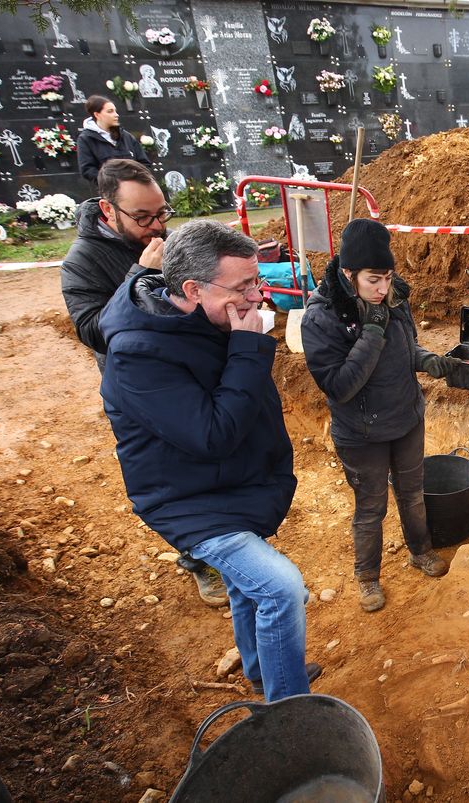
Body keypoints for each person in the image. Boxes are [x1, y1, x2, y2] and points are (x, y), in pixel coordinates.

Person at [98, 219, 320, 701]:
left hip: (234, 483)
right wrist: (247, 348)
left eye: (255, 281)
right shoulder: (139, 354)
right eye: (242, 287)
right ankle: (294, 709)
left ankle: (263, 670)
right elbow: (212, 435)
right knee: (281, 589)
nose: (257, 297)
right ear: (193, 288)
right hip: (188, 499)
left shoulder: (204, 319)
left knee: (247, 589)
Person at [59, 159, 227, 607]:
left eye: (161, 213)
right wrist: (139, 275)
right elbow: (93, 329)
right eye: (143, 217)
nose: (157, 226)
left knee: (209, 451)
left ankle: (226, 538)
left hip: (188, 366)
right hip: (138, 385)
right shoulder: (82, 262)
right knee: (171, 470)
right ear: (107, 209)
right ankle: (198, 559)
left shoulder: (164, 239)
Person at [301, 220, 459, 614]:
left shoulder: (392, 298)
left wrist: (428, 361)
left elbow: (407, 348)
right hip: (361, 432)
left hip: (405, 417)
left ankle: (420, 551)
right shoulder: (322, 318)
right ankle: (367, 576)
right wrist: (371, 333)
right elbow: (339, 386)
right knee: (371, 508)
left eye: (388, 278)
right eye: (374, 280)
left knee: (412, 493)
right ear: (348, 273)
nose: (383, 289)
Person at [76, 95, 151, 185]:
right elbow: (87, 170)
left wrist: (135, 179)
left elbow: (144, 163)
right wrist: (114, 184)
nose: (116, 115)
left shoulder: (126, 136)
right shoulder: (86, 139)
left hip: (136, 189)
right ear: (97, 114)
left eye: (115, 111)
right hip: (111, 193)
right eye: (110, 111)